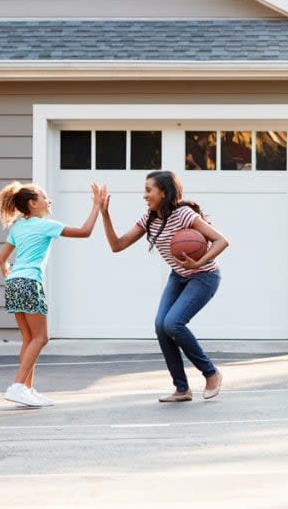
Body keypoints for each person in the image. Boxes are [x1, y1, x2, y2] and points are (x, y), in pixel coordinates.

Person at [99, 171, 229, 402]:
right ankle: (182, 389)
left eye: (149, 190)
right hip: (178, 276)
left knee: (173, 323)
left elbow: (222, 240)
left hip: (204, 276)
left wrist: (198, 262)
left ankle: (211, 373)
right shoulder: (149, 218)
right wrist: (104, 214)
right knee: (161, 326)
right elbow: (117, 245)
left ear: (164, 192)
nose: (145, 195)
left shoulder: (183, 214)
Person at [0, 181, 104, 408]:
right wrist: (96, 206)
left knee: (29, 339)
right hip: (30, 282)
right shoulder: (45, 225)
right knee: (41, 338)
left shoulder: (17, 227)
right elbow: (85, 232)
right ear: (33, 204)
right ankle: (16, 386)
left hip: (14, 283)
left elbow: (1, 259)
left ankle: (26, 389)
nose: (49, 200)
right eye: (44, 197)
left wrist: (8, 273)